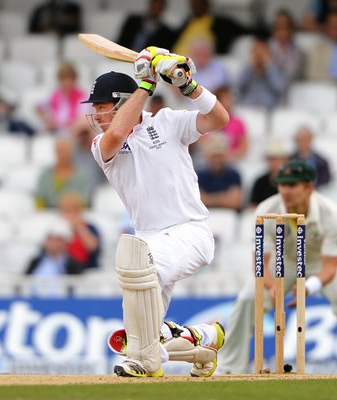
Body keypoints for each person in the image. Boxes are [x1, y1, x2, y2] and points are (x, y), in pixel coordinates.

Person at [84, 44, 229, 378]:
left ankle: (148, 358)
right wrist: (147, 82)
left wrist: (188, 86)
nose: (97, 115)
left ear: (122, 102)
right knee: (143, 339)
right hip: (149, 240)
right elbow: (118, 132)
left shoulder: (167, 122)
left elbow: (219, 118)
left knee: (137, 269)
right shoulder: (102, 144)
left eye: (103, 107)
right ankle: (201, 340)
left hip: (190, 231)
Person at [219, 160, 337, 374]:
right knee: (247, 299)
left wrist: (308, 287)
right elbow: (260, 263)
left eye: (293, 185)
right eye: (282, 184)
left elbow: (330, 266)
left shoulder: (332, 214)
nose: (286, 191)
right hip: (284, 262)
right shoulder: (267, 210)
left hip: (322, 263)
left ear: (309, 186)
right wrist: (273, 287)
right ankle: (228, 367)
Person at [35, 136, 92, 208]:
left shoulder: (82, 176)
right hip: (50, 216)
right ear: (55, 151)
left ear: (72, 152)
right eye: (60, 151)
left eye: (65, 151)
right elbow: (40, 201)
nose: (62, 154)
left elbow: (85, 201)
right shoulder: (45, 175)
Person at [173, 0, 246, 55]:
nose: (196, 4)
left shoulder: (219, 23)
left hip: (199, 67)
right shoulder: (187, 23)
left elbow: (243, 30)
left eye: (199, 2)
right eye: (193, 2)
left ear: (206, 3)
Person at [36, 62, 89, 135]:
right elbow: (38, 107)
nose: (66, 83)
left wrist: (64, 126)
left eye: (69, 79)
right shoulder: (55, 95)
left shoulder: (82, 97)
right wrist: (47, 119)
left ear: (74, 79)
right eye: (63, 79)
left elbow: (81, 121)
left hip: (74, 134)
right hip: (56, 132)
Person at [236, 38, 288, 110]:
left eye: (262, 53)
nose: (259, 56)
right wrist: (251, 66)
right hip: (248, 108)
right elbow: (238, 87)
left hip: (268, 110)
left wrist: (268, 67)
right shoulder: (247, 69)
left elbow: (280, 89)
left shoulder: (274, 69)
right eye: (256, 53)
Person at [196, 133, 242, 211]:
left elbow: (235, 202)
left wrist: (209, 198)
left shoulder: (234, 175)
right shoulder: (200, 175)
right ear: (208, 156)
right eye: (214, 156)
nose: (217, 160)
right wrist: (225, 198)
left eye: (220, 156)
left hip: (228, 216)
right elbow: (198, 201)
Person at [59, 191, 101, 269]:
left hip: (86, 270)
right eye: (64, 211)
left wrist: (79, 228)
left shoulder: (90, 228)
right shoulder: (57, 229)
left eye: (71, 211)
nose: (67, 215)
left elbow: (93, 248)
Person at [249, 139, 289, 208]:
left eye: (275, 159)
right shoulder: (260, 182)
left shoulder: (290, 182)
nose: (273, 162)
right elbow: (253, 205)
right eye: (270, 159)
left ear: (283, 160)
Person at [269, 9, 306, 85]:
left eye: (284, 27)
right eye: (278, 27)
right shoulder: (265, 47)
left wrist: (267, 63)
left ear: (291, 29)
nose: (281, 31)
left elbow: (288, 77)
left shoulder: (299, 54)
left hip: (287, 93)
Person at [214, 86, 248, 160]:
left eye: (229, 99)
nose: (229, 103)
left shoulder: (238, 122)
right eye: (225, 99)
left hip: (231, 161)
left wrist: (231, 155)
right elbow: (203, 143)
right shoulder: (209, 121)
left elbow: (244, 146)